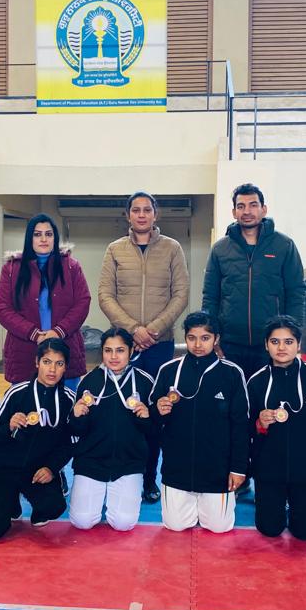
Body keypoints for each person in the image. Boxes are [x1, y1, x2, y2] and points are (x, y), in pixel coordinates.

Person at [98, 191, 189, 504]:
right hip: (124, 347)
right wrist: (133, 331)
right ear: (128, 215)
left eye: (146, 210)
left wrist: (153, 330)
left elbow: (181, 295)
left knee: (153, 413)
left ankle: (150, 478)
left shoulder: (172, 249)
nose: (141, 215)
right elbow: (105, 295)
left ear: (155, 214)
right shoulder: (114, 250)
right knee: (120, 411)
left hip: (159, 346)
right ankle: (122, 472)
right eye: (135, 210)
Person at [149, 311, 250, 534]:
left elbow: (241, 426)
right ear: (185, 338)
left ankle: (208, 505)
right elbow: (151, 419)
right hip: (177, 467)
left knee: (219, 527)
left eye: (205, 338)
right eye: (192, 338)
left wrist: (238, 468)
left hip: (217, 469)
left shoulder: (232, 374)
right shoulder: (169, 371)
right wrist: (157, 410)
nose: (197, 344)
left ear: (216, 339)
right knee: (175, 525)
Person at [247, 316, 306, 541]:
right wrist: (259, 423)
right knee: (269, 529)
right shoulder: (256, 382)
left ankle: (296, 508)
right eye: (275, 341)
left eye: (288, 342)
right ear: (266, 344)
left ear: (298, 344)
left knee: (305, 532)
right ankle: (277, 506)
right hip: (269, 470)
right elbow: (244, 429)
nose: (281, 348)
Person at [202, 183, 305, 379]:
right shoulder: (220, 249)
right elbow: (210, 296)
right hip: (230, 343)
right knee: (232, 395)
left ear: (263, 209)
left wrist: (294, 334)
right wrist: (211, 336)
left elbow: (296, 292)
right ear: (234, 212)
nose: (247, 211)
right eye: (241, 206)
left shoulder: (283, 245)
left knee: (268, 394)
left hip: (271, 342)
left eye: (253, 205)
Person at [0, 338, 75, 540]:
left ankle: (37, 507)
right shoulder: (16, 393)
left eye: (59, 363)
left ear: (66, 367)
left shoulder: (69, 399)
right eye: (46, 362)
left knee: (54, 506)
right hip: (4, 466)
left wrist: (51, 468)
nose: (52, 370)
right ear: (37, 362)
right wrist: (9, 426)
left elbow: (69, 444)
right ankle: (11, 501)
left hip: (36, 470)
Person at [68, 328, 155, 531]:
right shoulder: (89, 381)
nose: (114, 356)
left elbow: (154, 433)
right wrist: (76, 416)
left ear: (131, 351)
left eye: (120, 350)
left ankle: (115, 493)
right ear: (102, 352)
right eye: (108, 350)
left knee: (124, 523)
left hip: (129, 463)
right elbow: (76, 431)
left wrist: (146, 418)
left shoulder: (144, 381)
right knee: (82, 521)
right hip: (91, 462)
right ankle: (98, 494)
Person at [0, 214, 91, 387]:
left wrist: (58, 332)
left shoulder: (71, 266)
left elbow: (82, 303)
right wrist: (35, 334)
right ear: (29, 238)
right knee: (25, 404)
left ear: (55, 237)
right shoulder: (11, 268)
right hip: (24, 352)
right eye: (37, 234)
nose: (44, 239)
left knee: (66, 402)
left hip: (65, 346)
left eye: (49, 234)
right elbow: (3, 309)